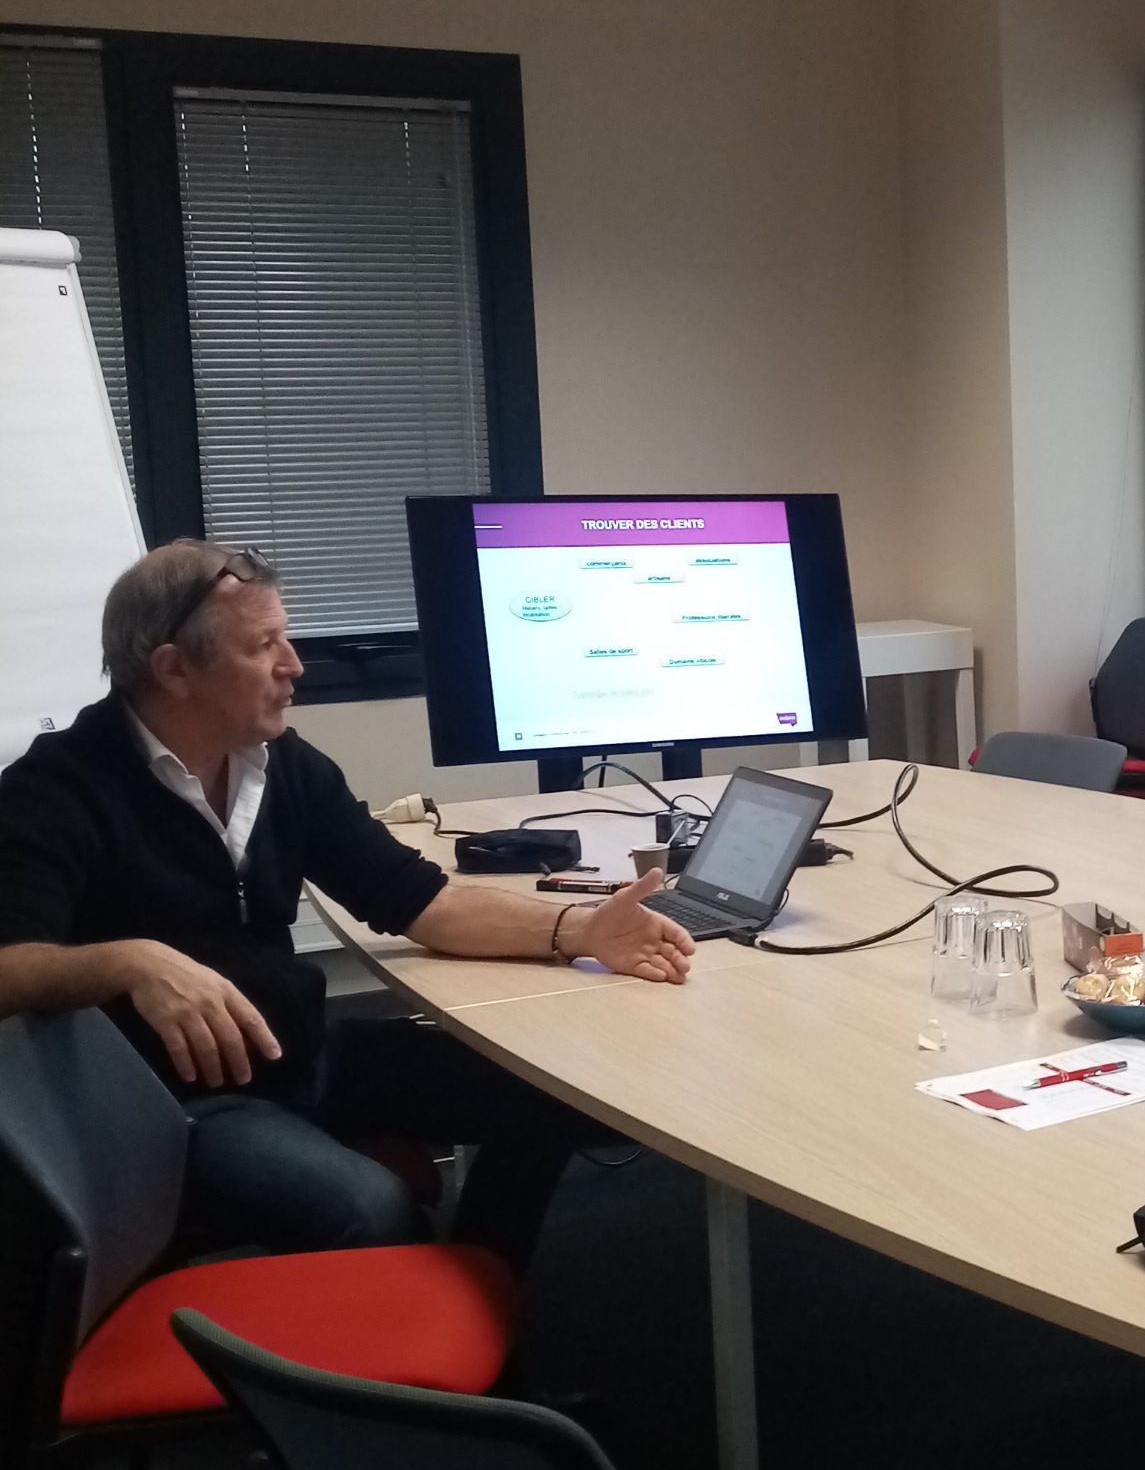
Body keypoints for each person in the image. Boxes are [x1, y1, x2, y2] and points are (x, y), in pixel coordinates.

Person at [0, 539, 696, 1268]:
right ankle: (427, 1325)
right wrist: (130, 962)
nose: (294, 664)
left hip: (304, 1054)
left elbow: (422, 902)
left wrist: (579, 929)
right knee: (370, 1209)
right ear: (175, 669)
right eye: (263, 645)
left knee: (559, 1095)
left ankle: (480, 1293)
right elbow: (8, 964)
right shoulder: (60, 788)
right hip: (178, 1105)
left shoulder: (282, 766)